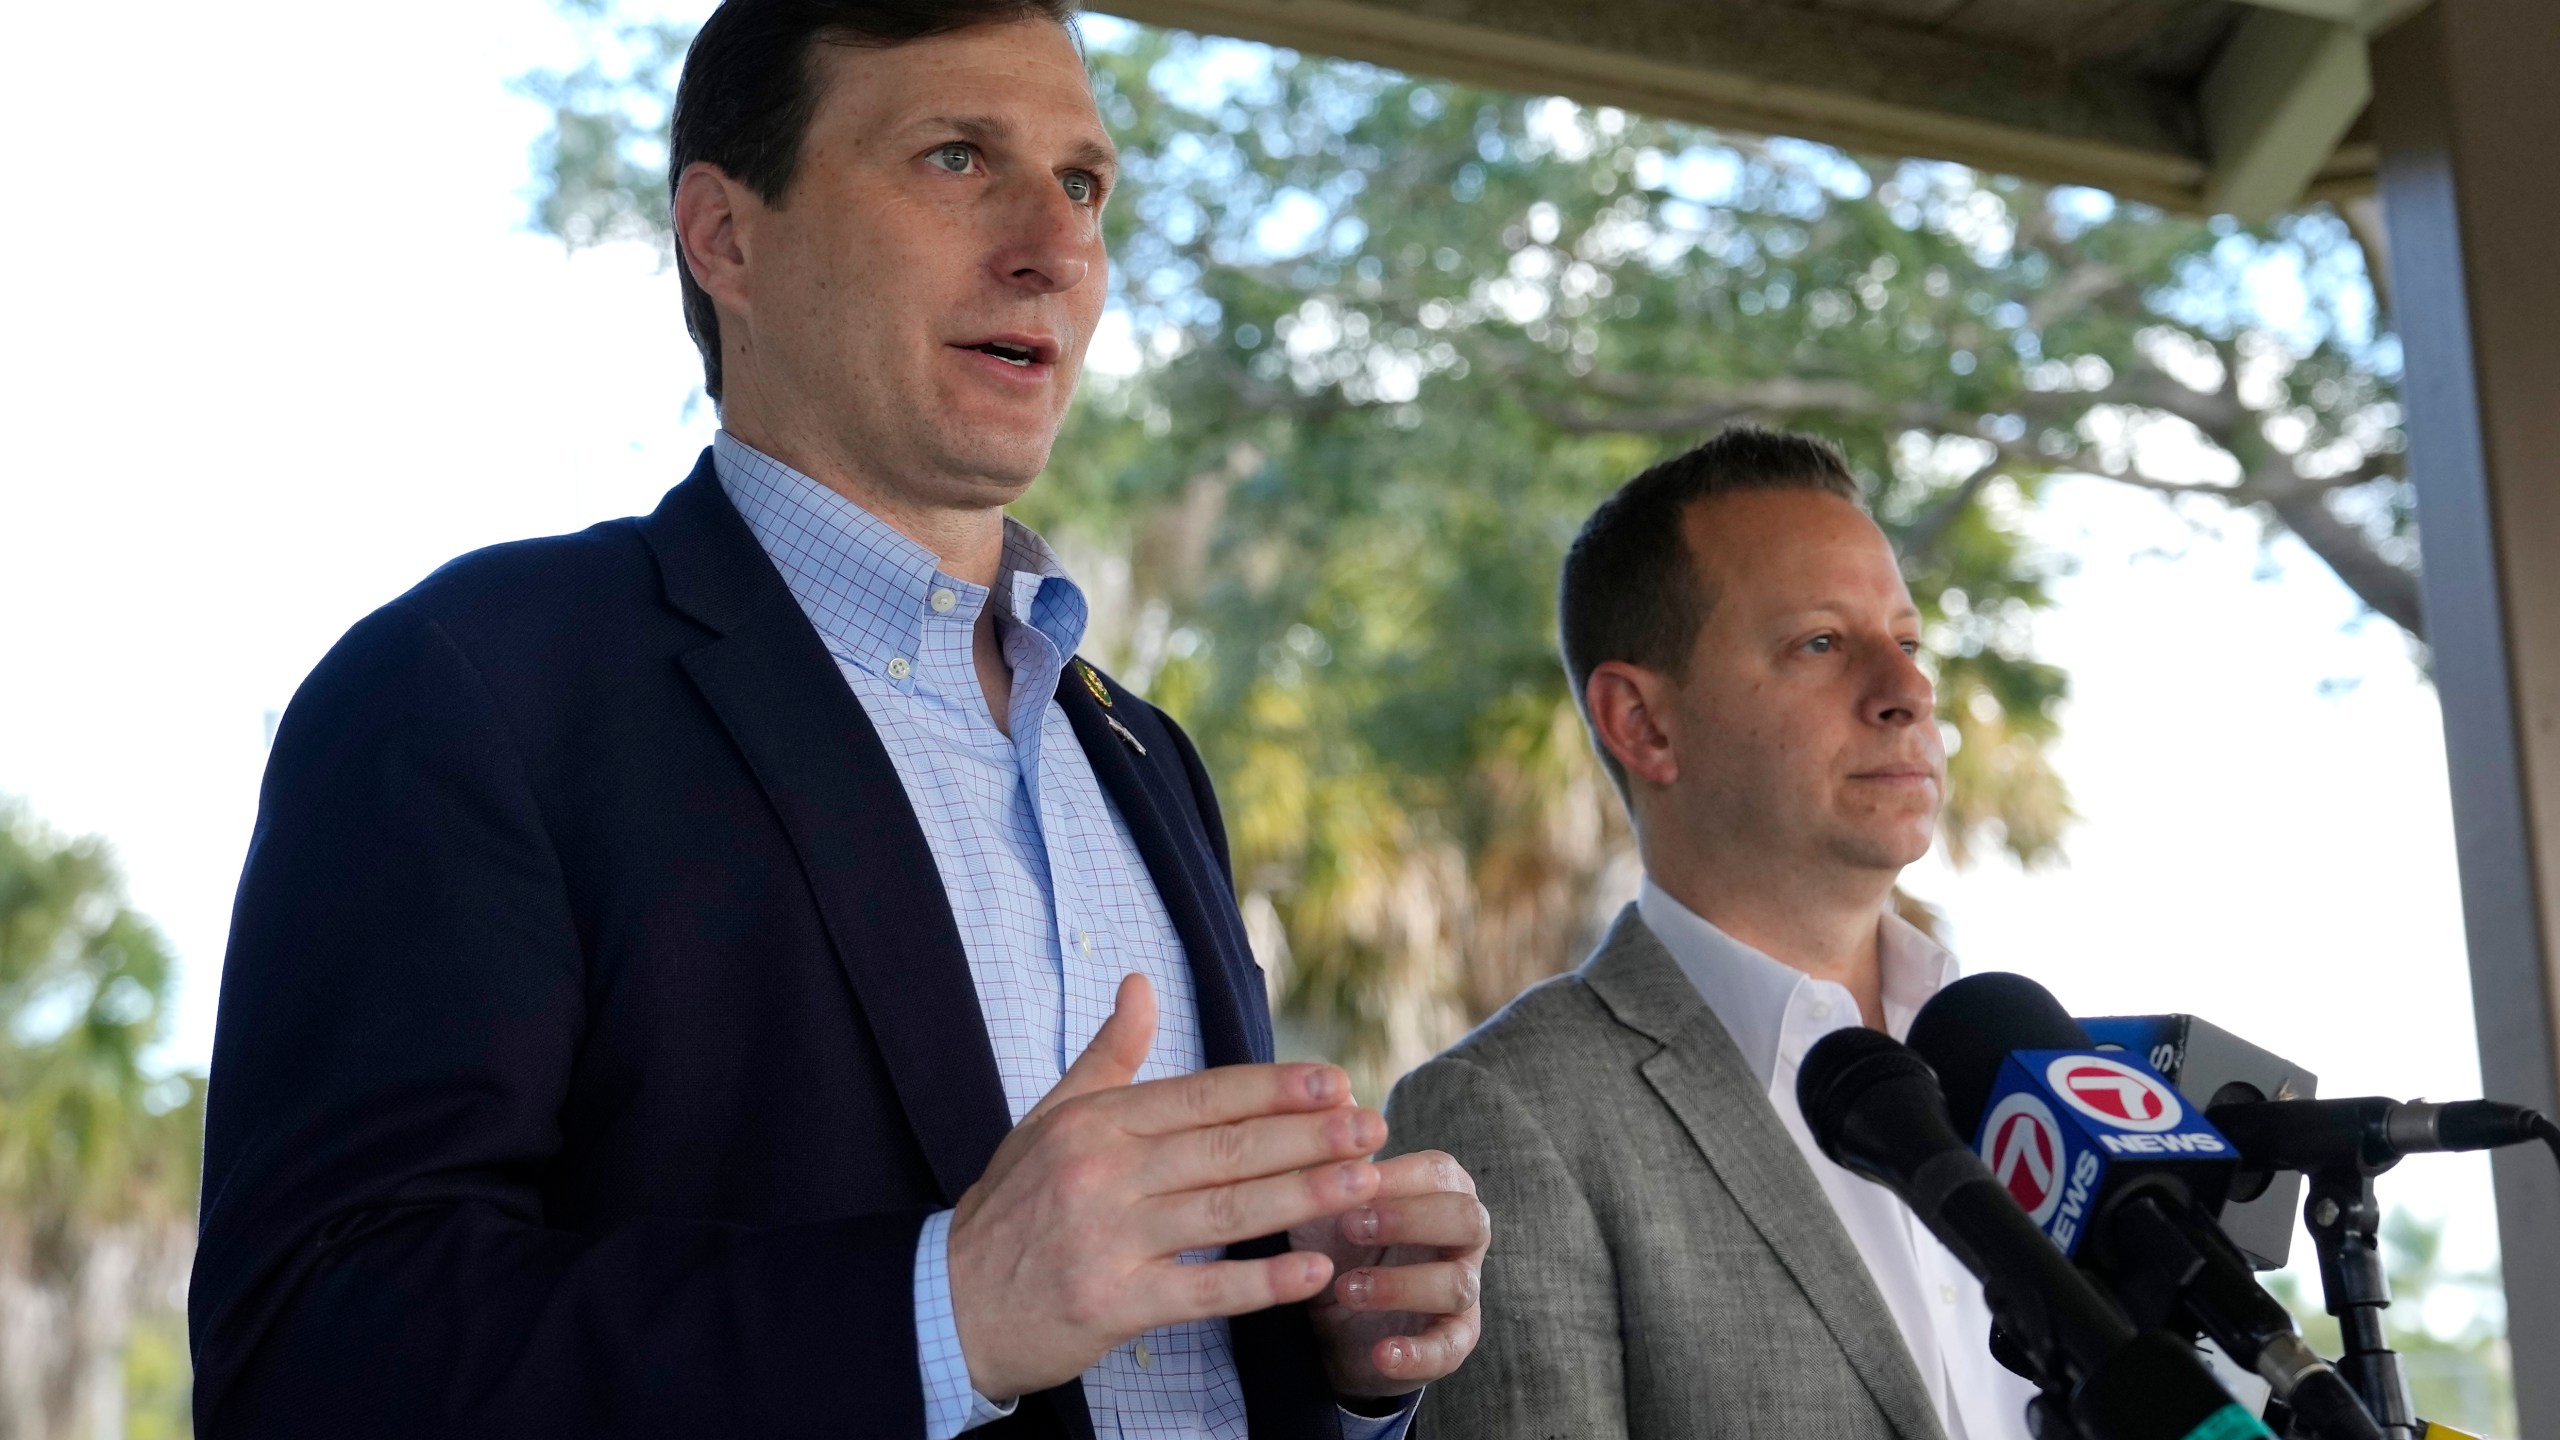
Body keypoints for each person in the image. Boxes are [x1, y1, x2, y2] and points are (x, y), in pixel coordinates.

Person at [188, 3, 1486, 1435]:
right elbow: (312, 1359)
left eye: (1082, 184)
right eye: (951, 158)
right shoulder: (469, 685)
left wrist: (1339, 1356)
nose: (1053, 249)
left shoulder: (1140, 754)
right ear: (726, 239)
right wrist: (942, 1309)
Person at [1381, 427, 2038, 1439]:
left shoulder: (2027, 1066)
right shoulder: (1507, 1115)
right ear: (1643, 723)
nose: (1906, 694)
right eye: (1820, 643)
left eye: (1906, 643)